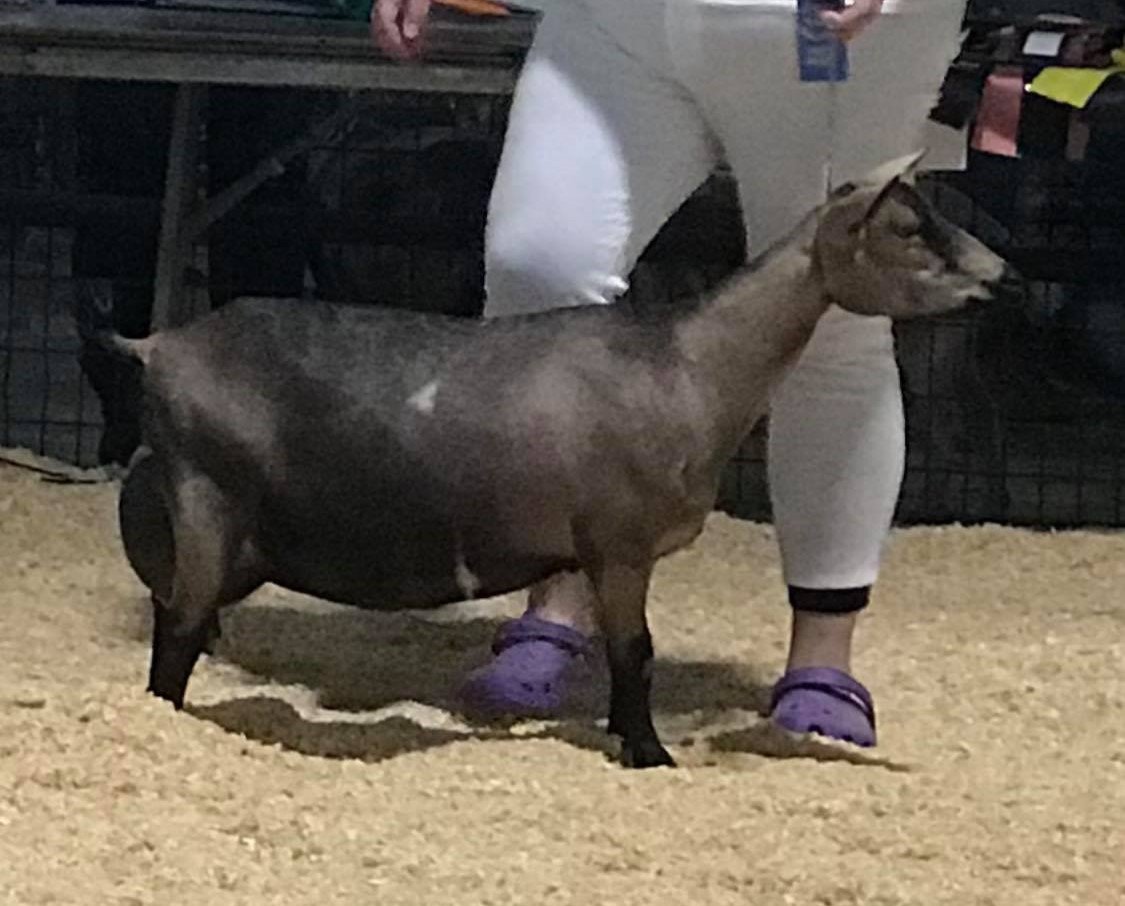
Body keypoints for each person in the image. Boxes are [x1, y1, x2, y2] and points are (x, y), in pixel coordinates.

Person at [373, 0, 967, 747]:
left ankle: (822, 656)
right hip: (616, 21)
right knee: (538, 269)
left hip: (821, 23)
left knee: (832, 311)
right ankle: (556, 600)